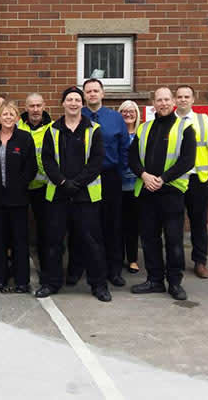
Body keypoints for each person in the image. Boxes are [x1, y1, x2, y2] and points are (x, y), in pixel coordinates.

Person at [38, 86, 111, 302]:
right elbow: (47, 160)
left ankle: (99, 285)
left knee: (92, 242)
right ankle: (51, 283)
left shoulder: (94, 129)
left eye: (77, 99)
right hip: (58, 195)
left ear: (82, 103)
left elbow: (97, 161)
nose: (73, 103)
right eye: (69, 99)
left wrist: (76, 183)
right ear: (63, 103)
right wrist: (62, 182)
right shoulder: (52, 130)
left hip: (86, 196)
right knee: (53, 242)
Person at [129, 87, 196, 301]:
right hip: (147, 191)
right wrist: (144, 175)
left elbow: (188, 160)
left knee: (174, 240)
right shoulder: (144, 128)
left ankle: (175, 283)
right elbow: (132, 158)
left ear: (174, 101)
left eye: (167, 99)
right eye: (159, 100)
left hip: (172, 193)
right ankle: (155, 280)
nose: (163, 103)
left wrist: (163, 178)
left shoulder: (185, 128)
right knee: (149, 239)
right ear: (154, 103)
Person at [0, 100, 37, 293]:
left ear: (17, 117)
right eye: (5, 114)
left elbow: (31, 168)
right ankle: (0, 279)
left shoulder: (25, 138)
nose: (8, 117)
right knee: (0, 241)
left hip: (18, 199)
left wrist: (19, 187)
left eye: (12, 114)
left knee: (20, 240)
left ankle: (22, 281)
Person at [77, 78, 129, 287]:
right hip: (85, 178)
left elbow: (125, 147)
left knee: (113, 225)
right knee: (89, 225)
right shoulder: (78, 117)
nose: (92, 94)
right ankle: (90, 267)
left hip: (109, 177)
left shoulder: (115, 118)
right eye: (88, 91)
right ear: (84, 96)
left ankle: (114, 270)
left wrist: (121, 170)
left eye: (95, 91)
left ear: (102, 93)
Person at [175, 85, 208, 279]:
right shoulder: (168, 121)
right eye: (180, 96)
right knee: (174, 223)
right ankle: (175, 261)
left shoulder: (204, 121)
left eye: (187, 96)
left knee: (198, 222)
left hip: (198, 179)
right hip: (175, 180)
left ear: (193, 100)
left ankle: (200, 261)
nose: (183, 99)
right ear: (175, 99)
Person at [17, 93, 51, 280]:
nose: (36, 109)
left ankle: (46, 267)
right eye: (32, 106)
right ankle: (18, 268)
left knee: (45, 229)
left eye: (39, 105)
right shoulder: (17, 125)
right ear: (26, 107)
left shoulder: (53, 128)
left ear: (44, 106)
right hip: (21, 186)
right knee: (19, 229)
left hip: (44, 186)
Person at [118, 100, 141, 274]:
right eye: (124, 111)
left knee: (133, 225)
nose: (128, 114)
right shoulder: (116, 133)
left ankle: (132, 259)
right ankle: (117, 258)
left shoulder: (142, 133)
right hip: (117, 185)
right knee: (116, 224)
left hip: (137, 187)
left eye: (131, 111)